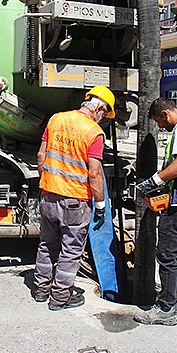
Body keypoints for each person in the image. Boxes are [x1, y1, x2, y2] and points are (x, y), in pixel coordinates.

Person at [33, 85, 114, 311]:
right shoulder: (94, 133)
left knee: (47, 245)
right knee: (70, 250)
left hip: (48, 194)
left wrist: (47, 183)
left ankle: (40, 290)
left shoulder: (56, 119)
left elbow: (41, 155)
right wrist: (100, 205)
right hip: (75, 201)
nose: (103, 119)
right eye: (105, 114)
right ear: (99, 109)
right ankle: (59, 298)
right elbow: (95, 173)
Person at [133, 97, 177, 326]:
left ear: (165, 113)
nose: (159, 126)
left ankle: (165, 309)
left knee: (167, 254)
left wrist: (153, 181)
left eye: (158, 121)